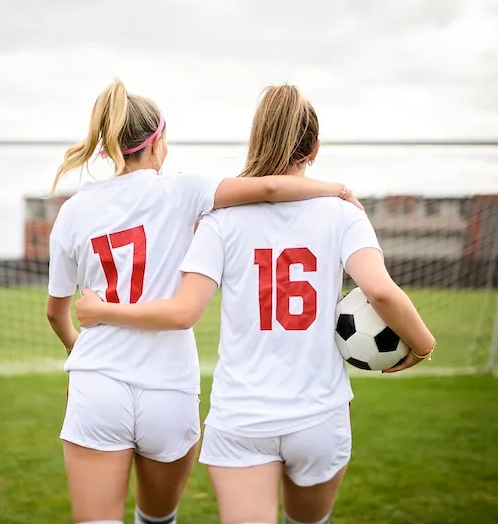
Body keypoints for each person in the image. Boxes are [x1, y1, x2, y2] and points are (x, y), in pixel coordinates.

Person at [74, 84, 437, 524]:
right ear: (315, 150)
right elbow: (378, 291)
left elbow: (185, 309)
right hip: (319, 413)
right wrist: (421, 345)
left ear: (256, 141)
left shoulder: (220, 219)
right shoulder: (343, 213)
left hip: (241, 418)